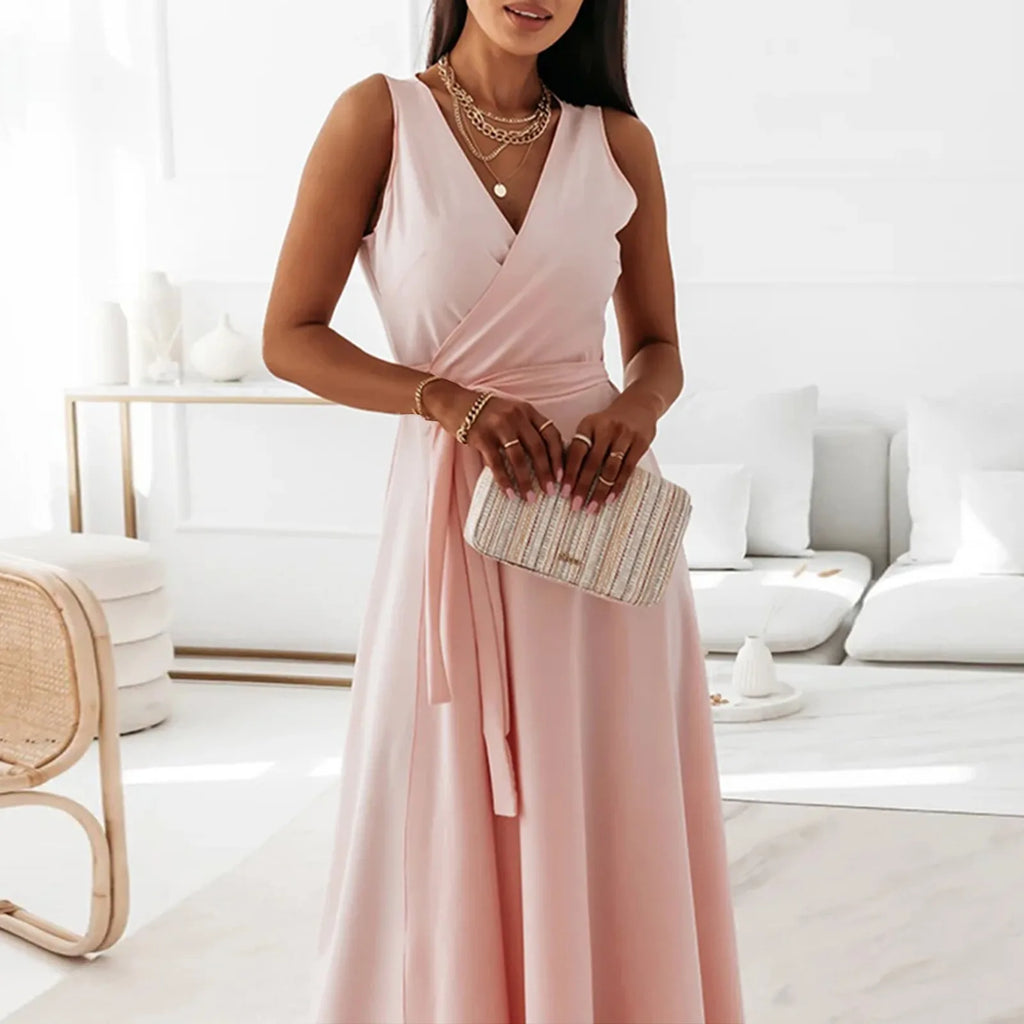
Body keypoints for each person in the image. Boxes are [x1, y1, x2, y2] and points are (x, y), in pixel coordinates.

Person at [262, 1, 745, 1021]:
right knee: (436, 788)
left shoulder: (616, 141)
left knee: (607, 796)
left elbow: (657, 345)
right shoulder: (377, 119)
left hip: (594, 521)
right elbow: (291, 334)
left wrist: (635, 412)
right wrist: (444, 398)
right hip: (450, 511)